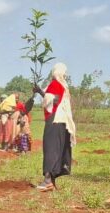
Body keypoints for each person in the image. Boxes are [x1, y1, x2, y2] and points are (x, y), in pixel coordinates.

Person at [34, 64, 76, 192]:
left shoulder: (55, 84)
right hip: (62, 122)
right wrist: (40, 91)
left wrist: (39, 91)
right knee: (57, 149)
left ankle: (47, 181)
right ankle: (51, 182)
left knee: (50, 149)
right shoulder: (63, 86)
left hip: (55, 120)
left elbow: (54, 100)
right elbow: (52, 98)